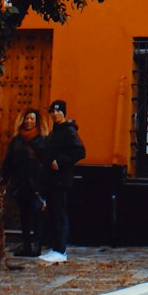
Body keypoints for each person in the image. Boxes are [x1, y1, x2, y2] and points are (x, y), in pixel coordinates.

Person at [38, 100, 85, 264]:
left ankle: (61, 250)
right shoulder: (54, 132)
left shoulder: (69, 131)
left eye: (58, 111)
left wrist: (61, 162)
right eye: (52, 111)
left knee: (60, 214)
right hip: (51, 180)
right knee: (53, 214)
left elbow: (80, 151)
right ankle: (55, 247)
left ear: (64, 113)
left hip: (60, 180)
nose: (55, 114)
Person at [0, 108, 47, 257]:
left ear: (36, 122)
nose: (29, 121)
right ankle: (26, 245)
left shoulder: (41, 141)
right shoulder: (16, 141)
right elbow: (9, 161)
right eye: (27, 118)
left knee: (37, 217)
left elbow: (45, 163)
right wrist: (4, 180)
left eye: (32, 119)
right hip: (20, 184)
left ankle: (37, 246)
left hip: (36, 185)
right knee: (24, 217)